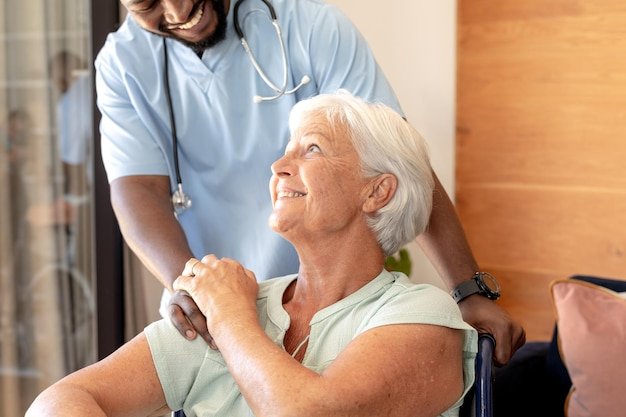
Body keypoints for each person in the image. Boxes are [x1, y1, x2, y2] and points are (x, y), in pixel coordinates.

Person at [95, 0, 524, 365]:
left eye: (311, 148)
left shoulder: (309, 25)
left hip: (335, 305)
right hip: (211, 314)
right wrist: (188, 284)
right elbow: (138, 189)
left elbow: (397, 159)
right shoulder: (122, 63)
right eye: (146, 3)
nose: (176, 10)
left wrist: (467, 289)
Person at [26, 91, 477, 417]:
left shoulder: (419, 315)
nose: (278, 167)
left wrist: (229, 318)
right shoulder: (238, 301)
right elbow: (60, 401)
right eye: (285, 152)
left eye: (312, 149)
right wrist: (230, 309)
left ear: (377, 191)